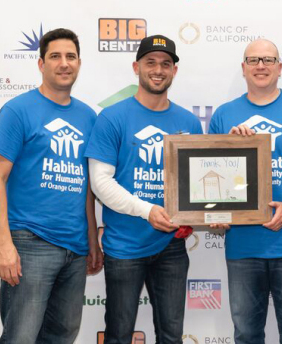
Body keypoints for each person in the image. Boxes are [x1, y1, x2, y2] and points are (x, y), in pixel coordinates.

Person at [0, 28, 103, 344]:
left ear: (79, 63)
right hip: (29, 242)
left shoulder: (88, 117)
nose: (64, 63)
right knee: (20, 337)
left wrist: (92, 240)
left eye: (71, 56)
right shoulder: (17, 110)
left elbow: (87, 188)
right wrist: (4, 245)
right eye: (55, 56)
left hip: (76, 249)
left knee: (62, 336)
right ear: (41, 64)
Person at [208, 39, 282, 344]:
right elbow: (210, 186)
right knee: (246, 335)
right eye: (253, 60)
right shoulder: (224, 116)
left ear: (280, 67)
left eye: (268, 59)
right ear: (243, 68)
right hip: (242, 247)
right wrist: (231, 146)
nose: (260, 65)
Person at [85, 35, 203, 344]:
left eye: (166, 64)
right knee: (119, 335)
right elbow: (100, 182)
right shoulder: (112, 117)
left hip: (172, 246)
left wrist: (204, 211)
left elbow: (199, 183)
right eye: (150, 62)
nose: (158, 70)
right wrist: (146, 210)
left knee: (171, 336)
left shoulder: (189, 122)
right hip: (124, 245)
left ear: (174, 71)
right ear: (137, 66)